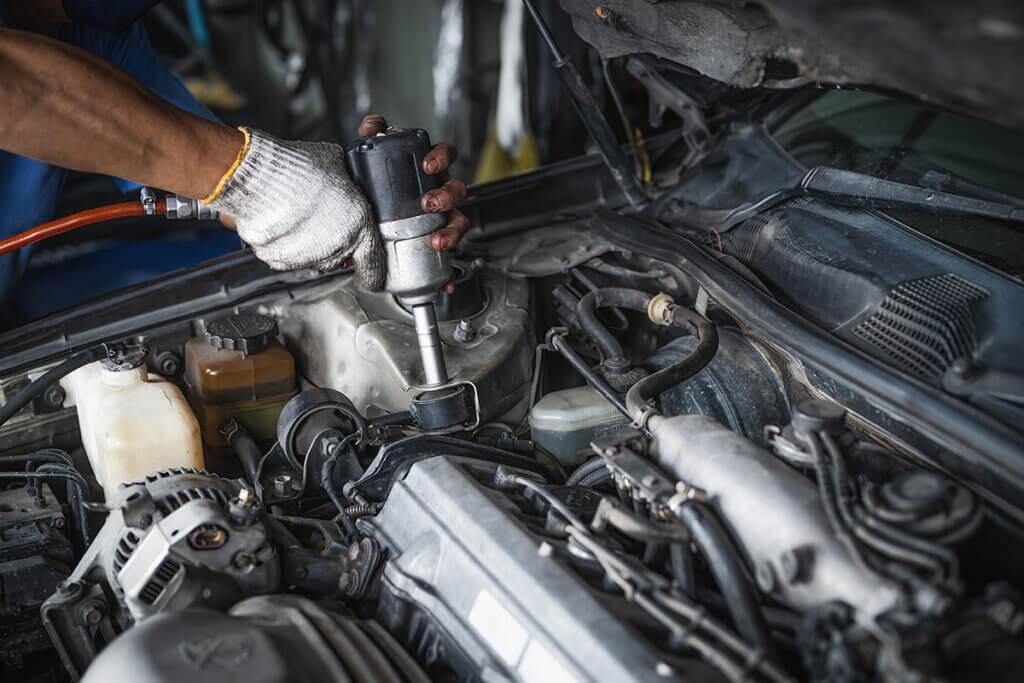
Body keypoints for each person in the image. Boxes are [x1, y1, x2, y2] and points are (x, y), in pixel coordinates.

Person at [0, 0, 468, 304]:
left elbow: (207, 179)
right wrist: (256, 177)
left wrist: (372, 199)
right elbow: (19, 87)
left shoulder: (92, 36)